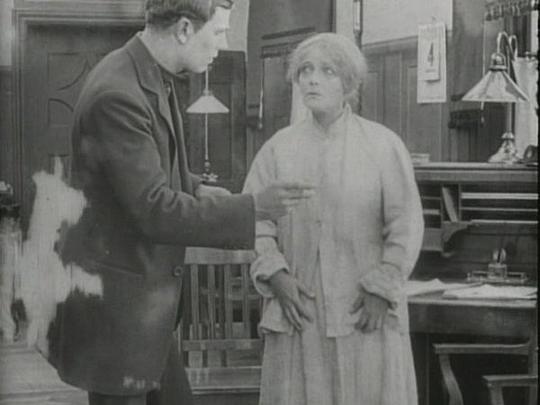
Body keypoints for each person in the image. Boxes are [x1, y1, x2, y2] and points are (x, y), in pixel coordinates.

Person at [49, 1, 314, 404]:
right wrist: (253, 207)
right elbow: (154, 210)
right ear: (185, 29)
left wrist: (195, 188)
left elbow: (142, 169)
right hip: (117, 314)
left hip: (140, 312)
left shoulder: (146, 74)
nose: (222, 45)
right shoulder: (118, 93)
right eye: (219, 32)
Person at [243, 32, 425, 405]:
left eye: (327, 71)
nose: (312, 80)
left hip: (365, 312)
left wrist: (381, 288)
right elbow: (254, 219)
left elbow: (406, 226)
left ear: (349, 83)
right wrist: (276, 275)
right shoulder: (277, 149)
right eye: (305, 71)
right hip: (299, 310)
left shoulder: (383, 146)